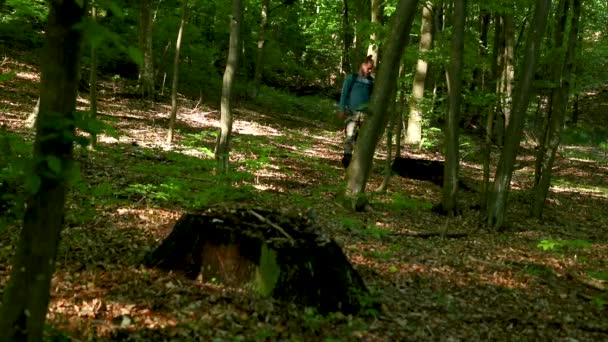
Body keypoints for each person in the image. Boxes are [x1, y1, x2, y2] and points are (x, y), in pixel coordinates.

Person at [338, 55, 374, 168]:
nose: (370, 71)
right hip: (351, 112)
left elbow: (373, 97)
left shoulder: (371, 82)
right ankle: (347, 157)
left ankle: (358, 160)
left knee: (361, 138)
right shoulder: (352, 78)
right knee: (349, 135)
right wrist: (341, 109)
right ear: (362, 65)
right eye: (368, 68)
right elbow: (344, 94)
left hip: (365, 114)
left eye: (371, 69)